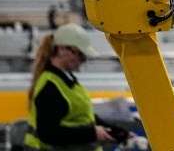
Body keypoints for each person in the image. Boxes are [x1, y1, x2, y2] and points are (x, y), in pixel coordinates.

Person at [24, 22, 121, 150]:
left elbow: (83, 117)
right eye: (79, 54)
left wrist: (119, 133)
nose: (82, 61)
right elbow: (48, 133)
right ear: (62, 49)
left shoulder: (65, 80)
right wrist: (92, 134)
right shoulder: (51, 87)